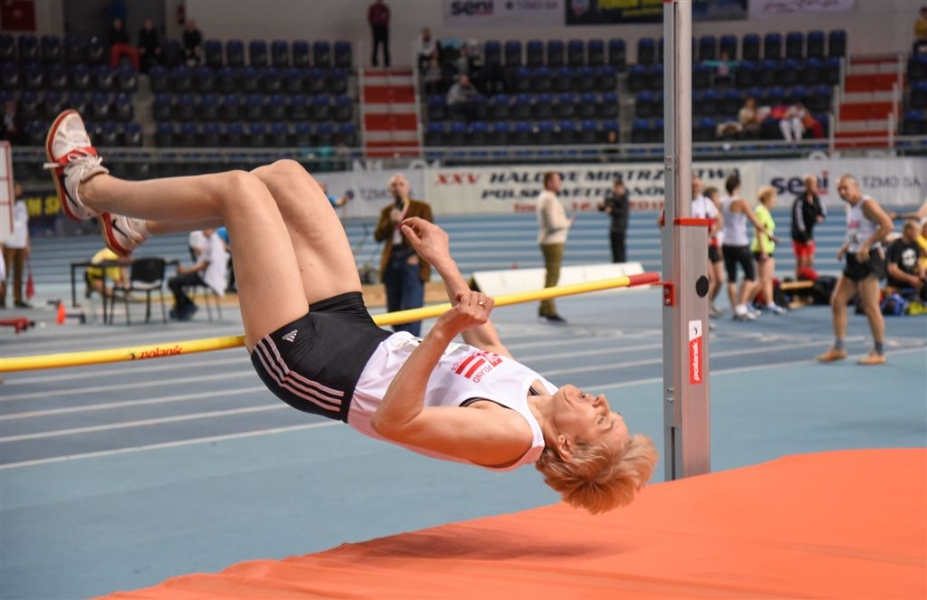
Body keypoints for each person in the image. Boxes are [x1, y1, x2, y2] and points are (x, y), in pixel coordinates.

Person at [42, 109, 657, 514]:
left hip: (311, 362)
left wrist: (442, 327)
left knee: (239, 190)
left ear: (568, 449)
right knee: (283, 178)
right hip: (358, 333)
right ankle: (134, 225)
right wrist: (445, 264)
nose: (601, 401)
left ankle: (87, 189)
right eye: (609, 409)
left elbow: (395, 420)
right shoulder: (542, 395)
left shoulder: (512, 436)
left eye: (602, 419)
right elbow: (491, 352)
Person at [817, 175, 894, 366]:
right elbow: (856, 233)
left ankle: (879, 351)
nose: (842, 192)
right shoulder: (850, 207)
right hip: (853, 259)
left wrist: (867, 245)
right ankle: (839, 348)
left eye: (846, 188)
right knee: (837, 301)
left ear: (856, 187)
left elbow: (887, 226)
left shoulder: (867, 204)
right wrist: (846, 247)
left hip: (868, 259)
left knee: (870, 306)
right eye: (839, 190)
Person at [374, 174, 433, 337]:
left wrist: (417, 256)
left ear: (408, 188)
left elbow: (427, 234)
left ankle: (412, 343)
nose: (398, 188)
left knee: (412, 307)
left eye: (401, 184)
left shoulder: (421, 208)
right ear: (390, 190)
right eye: (394, 185)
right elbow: (378, 236)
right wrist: (391, 222)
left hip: (411, 260)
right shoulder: (387, 211)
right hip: (392, 262)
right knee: (394, 310)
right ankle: (402, 340)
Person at [719, 173, 778, 321]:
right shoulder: (741, 202)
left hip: (726, 242)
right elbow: (756, 223)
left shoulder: (722, 202)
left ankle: (735, 308)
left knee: (731, 278)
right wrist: (769, 235)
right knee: (751, 276)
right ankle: (742, 306)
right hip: (740, 243)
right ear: (738, 187)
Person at [167, 228, 228, 321]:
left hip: (206, 278)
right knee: (177, 280)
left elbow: (203, 266)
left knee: (172, 282)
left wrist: (186, 271)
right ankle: (184, 306)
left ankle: (186, 306)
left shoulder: (213, 244)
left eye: (205, 230)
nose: (203, 232)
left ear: (211, 229)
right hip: (205, 275)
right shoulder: (213, 242)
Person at [537, 172, 573, 324]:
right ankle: (549, 309)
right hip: (553, 241)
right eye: (557, 180)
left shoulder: (544, 197)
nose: (560, 183)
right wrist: (568, 223)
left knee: (550, 276)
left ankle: (544, 306)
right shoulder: (549, 199)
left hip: (549, 240)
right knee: (553, 276)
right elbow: (553, 224)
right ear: (549, 183)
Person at [749, 186, 787, 314]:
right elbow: (759, 232)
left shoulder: (764, 211)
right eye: (773, 198)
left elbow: (765, 231)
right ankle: (747, 302)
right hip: (762, 249)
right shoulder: (761, 211)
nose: (774, 201)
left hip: (767, 247)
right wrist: (763, 251)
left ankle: (770, 303)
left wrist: (772, 238)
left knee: (767, 279)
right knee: (762, 280)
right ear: (767, 198)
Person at [692, 179, 725, 318]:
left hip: (710, 245)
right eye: (693, 185)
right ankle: (703, 309)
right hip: (697, 246)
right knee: (710, 279)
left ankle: (709, 303)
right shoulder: (684, 202)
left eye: (698, 185)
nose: (695, 188)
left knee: (720, 280)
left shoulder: (706, 202)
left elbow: (720, 219)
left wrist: (712, 235)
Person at [791, 174, 827, 280]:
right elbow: (798, 220)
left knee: (810, 261)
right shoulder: (800, 200)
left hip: (809, 233)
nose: (816, 187)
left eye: (816, 184)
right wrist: (805, 237)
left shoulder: (817, 199)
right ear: (807, 185)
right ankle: (799, 282)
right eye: (812, 184)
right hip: (799, 234)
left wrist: (821, 217)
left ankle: (808, 281)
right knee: (802, 261)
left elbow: (823, 211)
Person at [1, 183, 29, 309]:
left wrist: (27, 244)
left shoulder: (22, 205)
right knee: (4, 273)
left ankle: (18, 299)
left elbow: (25, 225)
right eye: (16, 189)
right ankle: (1, 298)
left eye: (19, 189)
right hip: (9, 243)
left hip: (21, 243)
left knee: (19, 273)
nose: (19, 191)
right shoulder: (5, 204)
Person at [885, 220, 926, 302]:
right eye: (916, 231)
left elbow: (919, 261)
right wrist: (910, 279)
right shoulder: (896, 246)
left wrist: (922, 274)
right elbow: (892, 270)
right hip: (899, 284)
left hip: (913, 280)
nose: (918, 234)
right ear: (908, 230)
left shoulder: (914, 244)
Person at [597, 178, 629, 263]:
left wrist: (611, 210)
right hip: (613, 229)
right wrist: (602, 206)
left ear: (622, 188)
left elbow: (621, 211)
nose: (616, 190)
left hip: (620, 229)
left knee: (620, 252)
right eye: (615, 188)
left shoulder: (624, 199)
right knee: (614, 252)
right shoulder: (614, 199)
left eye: (618, 188)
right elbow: (604, 206)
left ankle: (621, 267)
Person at [368, 0, 390, 67]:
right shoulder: (373, 8)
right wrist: (374, 25)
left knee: (385, 46)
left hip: (383, 27)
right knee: (375, 45)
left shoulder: (385, 8)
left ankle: (386, 62)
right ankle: (374, 62)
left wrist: (384, 24)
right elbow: (370, 17)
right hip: (376, 27)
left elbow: (387, 17)